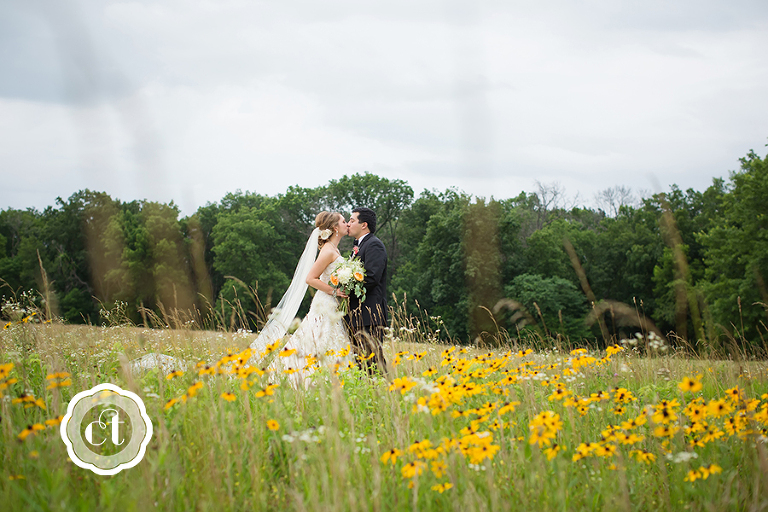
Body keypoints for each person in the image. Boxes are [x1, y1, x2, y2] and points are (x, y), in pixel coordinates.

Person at [248, 211, 353, 386]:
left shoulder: (334, 249)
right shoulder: (328, 251)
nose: (347, 224)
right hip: (325, 303)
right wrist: (333, 291)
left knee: (325, 339)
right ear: (335, 228)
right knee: (319, 339)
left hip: (332, 303)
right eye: (344, 221)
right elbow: (310, 278)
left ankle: (328, 378)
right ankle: (308, 379)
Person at [345, 207, 389, 377]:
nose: (348, 224)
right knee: (361, 363)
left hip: (369, 314)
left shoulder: (374, 245)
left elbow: (371, 278)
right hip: (357, 315)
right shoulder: (358, 246)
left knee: (373, 361)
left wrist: (345, 288)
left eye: (352, 220)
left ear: (364, 225)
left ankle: (385, 390)